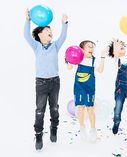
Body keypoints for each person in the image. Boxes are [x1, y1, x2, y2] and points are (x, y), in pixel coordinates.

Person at [24, 9, 68, 150]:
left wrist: (65, 23)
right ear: (39, 34)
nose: (50, 31)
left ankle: (54, 127)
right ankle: (38, 134)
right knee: (40, 109)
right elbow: (26, 35)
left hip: (55, 82)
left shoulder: (55, 45)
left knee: (54, 107)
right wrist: (28, 20)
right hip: (41, 82)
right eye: (47, 29)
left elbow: (63, 36)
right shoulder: (36, 46)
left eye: (51, 30)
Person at [66, 40, 108, 142]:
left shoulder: (94, 60)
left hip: (90, 88)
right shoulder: (79, 59)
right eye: (89, 46)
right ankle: (82, 128)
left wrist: (103, 57)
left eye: (93, 47)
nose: (91, 49)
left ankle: (93, 130)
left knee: (90, 109)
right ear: (82, 49)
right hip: (79, 87)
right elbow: (69, 67)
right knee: (80, 108)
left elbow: (101, 70)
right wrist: (68, 58)